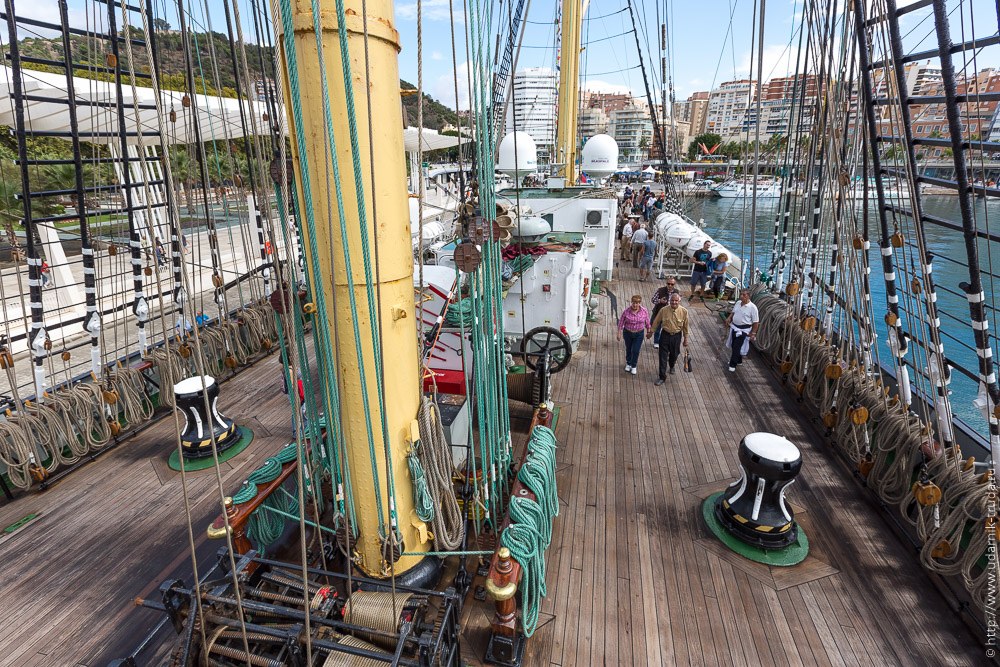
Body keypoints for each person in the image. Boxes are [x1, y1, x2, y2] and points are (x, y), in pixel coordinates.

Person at [649, 292, 689, 384]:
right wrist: (651, 332)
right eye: (672, 300)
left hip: (676, 336)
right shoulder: (664, 310)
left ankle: (672, 365)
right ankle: (662, 377)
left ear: (679, 301)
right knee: (662, 356)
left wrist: (686, 338)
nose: (674, 302)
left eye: (676, 301)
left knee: (674, 354)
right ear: (670, 301)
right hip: (665, 335)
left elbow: (685, 326)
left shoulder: (684, 311)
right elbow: (656, 321)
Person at [725, 288, 760, 372]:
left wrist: (753, 334)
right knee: (733, 344)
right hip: (734, 327)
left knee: (736, 346)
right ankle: (739, 360)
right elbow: (733, 312)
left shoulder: (753, 308)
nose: (741, 296)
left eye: (744, 295)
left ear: (749, 296)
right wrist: (729, 318)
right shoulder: (738, 303)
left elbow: (756, 323)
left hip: (744, 330)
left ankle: (732, 364)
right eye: (741, 294)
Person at [617, 294, 651, 375]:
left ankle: (634, 365)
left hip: (639, 334)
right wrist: (619, 333)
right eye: (634, 303)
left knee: (635, 350)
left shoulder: (644, 311)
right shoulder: (626, 311)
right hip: (628, 333)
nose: (635, 305)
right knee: (628, 349)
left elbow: (647, 321)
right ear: (631, 302)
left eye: (637, 303)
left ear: (640, 303)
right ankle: (628, 363)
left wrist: (648, 331)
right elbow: (621, 321)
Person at [650, 278, 681, 348]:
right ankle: (656, 342)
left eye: (672, 284)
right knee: (657, 329)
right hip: (660, 313)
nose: (670, 285)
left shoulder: (676, 292)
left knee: (668, 330)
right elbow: (653, 300)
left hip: (671, 314)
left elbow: (679, 301)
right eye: (668, 284)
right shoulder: (660, 290)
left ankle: (665, 343)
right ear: (666, 284)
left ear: (674, 285)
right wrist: (660, 301)